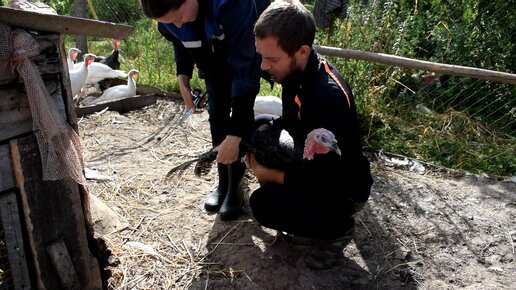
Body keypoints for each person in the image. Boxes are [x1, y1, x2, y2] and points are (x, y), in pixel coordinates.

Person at [246, 0, 373, 270]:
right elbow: (291, 123)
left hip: (341, 185)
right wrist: (258, 136)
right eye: (261, 56)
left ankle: (336, 229)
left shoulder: (325, 99)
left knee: (262, 206)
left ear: (302, 51)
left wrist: (271, 175)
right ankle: (299, 205)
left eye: (272, 59)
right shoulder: (298, 73)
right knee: (260, 126)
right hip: (313, 159)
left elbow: (325, 176)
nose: (263, 66)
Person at [140, 0, 271, 221]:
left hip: (240, 50)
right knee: (217, 114)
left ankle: (235, 184)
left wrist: (235, 135)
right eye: (170, 22)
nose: (178, 25)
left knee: (240, 113)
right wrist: (183, 74)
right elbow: (179, 38)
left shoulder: (233, 6)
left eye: (178, 17)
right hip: (211, 58)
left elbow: (245, 72)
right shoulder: (170, 18)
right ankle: (224, 181)